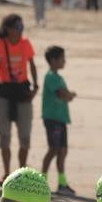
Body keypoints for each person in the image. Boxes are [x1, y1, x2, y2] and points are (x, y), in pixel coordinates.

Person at [0, 14, 39, 185]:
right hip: (5, 91)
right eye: (17, 26)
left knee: (24, 135)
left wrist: (35, 87)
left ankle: (22, 172)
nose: (20, 29)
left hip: (23, 90)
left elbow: (32, 65)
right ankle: (6, 173)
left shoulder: (26, 44)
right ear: (8, 29)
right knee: (4, 134)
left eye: (21, 26)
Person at [40, 45, 76, 194]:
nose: (64, 61)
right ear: (53, 60)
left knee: (62, 150)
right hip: (52, 118)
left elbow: (65, 94)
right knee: (53, 149)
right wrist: (69, 95)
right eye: (62, 58)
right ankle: (42, 181)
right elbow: (62, 94)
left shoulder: (58, 77)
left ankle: (62, 183)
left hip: (60, 118)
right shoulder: (51, 76)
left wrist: (69, 95)